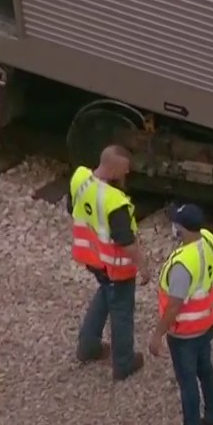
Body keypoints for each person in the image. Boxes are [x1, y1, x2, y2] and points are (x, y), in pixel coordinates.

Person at [148, 204, 213, 425]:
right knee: (207, 371)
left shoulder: (183, 264)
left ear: (181, 230)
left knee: (188, 380)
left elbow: (174, 306)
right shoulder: (210, 241)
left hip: (185, 333)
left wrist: (158, 335)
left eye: (176, 224)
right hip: (207, 323)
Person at [68, 144, 148, 380]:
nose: (126, 174)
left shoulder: (80, 178)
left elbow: (71, 208)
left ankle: (88, 346)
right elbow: (126, 242)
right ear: (112, 169)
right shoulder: (115, 201)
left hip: (92, 258)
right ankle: (123, 362)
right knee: (121, 311)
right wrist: (143, 266)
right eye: (124, 170)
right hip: (115, 266)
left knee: (105, 293)